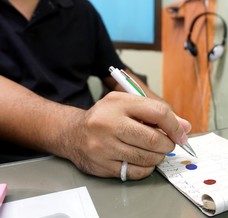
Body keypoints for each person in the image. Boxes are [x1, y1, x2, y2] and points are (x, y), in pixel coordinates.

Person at [0, 0, 192, 180]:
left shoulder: (81, 10)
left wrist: (160, 109)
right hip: (14, 167)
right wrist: (76, 133)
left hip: (99, 157)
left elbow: (116, 73)